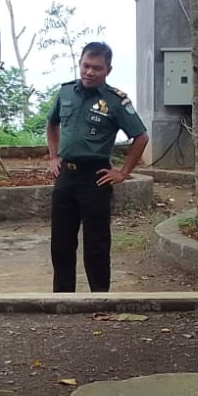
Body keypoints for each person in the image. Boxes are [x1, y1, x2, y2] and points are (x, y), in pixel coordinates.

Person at [46, 41, 149, 292]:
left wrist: (123, 172)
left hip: (96, 178)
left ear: (108, 70)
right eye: (86, 66)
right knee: (61, 243)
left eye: (97, 68)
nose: (90, 72)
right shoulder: (66, 92)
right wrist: (53, 157)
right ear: (80, 64)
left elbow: (141, 137)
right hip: (65, 176)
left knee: (96, 244)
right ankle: (63, 298)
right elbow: (52, 124)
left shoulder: (115, 101)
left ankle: (100, 299)